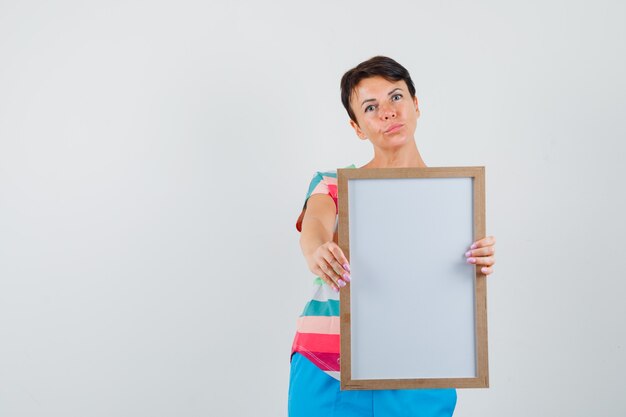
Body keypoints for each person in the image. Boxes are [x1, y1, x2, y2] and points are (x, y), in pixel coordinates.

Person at [288, 56, 497, 417]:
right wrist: (318, 249)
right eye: (371, 107)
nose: (387, 112)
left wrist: (476, 262)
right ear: (357, 127)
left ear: (416, 105)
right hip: (327, 369)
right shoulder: (332, 184)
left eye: (396, 97)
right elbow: (315, 229)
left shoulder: (455, 197)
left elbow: (447, 290)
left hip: (419, 370)